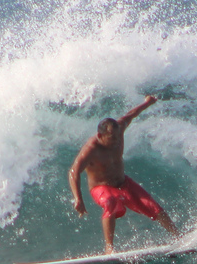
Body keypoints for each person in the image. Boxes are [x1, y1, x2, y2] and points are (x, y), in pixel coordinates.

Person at [69, 94, 180, 252]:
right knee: (110, 202)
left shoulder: (119, 129)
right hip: (101, 188)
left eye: (117, 136)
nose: (116, 141)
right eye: (111, 138)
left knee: (153, 206)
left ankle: (178, 237)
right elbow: (74, 172)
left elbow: (131, 114)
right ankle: (109, 248)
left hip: (123, 183)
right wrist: (78, 199)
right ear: (100, 136)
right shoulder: (90, 150)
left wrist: (147, 103)